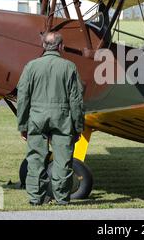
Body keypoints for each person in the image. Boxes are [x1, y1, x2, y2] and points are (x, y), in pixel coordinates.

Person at [17, 32, 85, 206]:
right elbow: (76, 101)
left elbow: (23, 97)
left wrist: (22, 125)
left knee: (35, 158)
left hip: (36, 118)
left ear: (43, 46)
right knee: (63, 160)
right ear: (61, 47)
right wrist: (78, 127)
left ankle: (35, 198)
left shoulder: (31, 66)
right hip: (62, 119)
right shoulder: (69, 67)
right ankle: (62, 198)